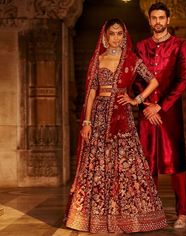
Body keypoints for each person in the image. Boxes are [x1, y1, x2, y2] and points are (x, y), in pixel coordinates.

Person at [64, 18, 167, 233]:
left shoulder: (131, 59)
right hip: (99, 117)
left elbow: (154, 80)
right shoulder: (97, 60)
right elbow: (91, 92)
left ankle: (128, 217)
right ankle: (94, 217)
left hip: (122, 117)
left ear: (124, 36)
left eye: (120, 33)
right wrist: (86, 122)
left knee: (125, 165)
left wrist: (136, 100)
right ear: (105, 36)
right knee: (98, 165)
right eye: (112, 33)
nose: (116, 37)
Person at [134, 2, 186, 229]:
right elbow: (136, 79)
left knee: (175, 164)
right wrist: (147, 105)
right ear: (149, 21)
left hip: (168, 114)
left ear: (168, 20)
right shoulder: (140, 46)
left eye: (161, 18)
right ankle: (151, 213)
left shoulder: (180, 46)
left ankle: (183, 212)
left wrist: (161, 106)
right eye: (154, 18)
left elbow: (183, 79)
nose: (158, 22)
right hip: (147, 114)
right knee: (148, 164)